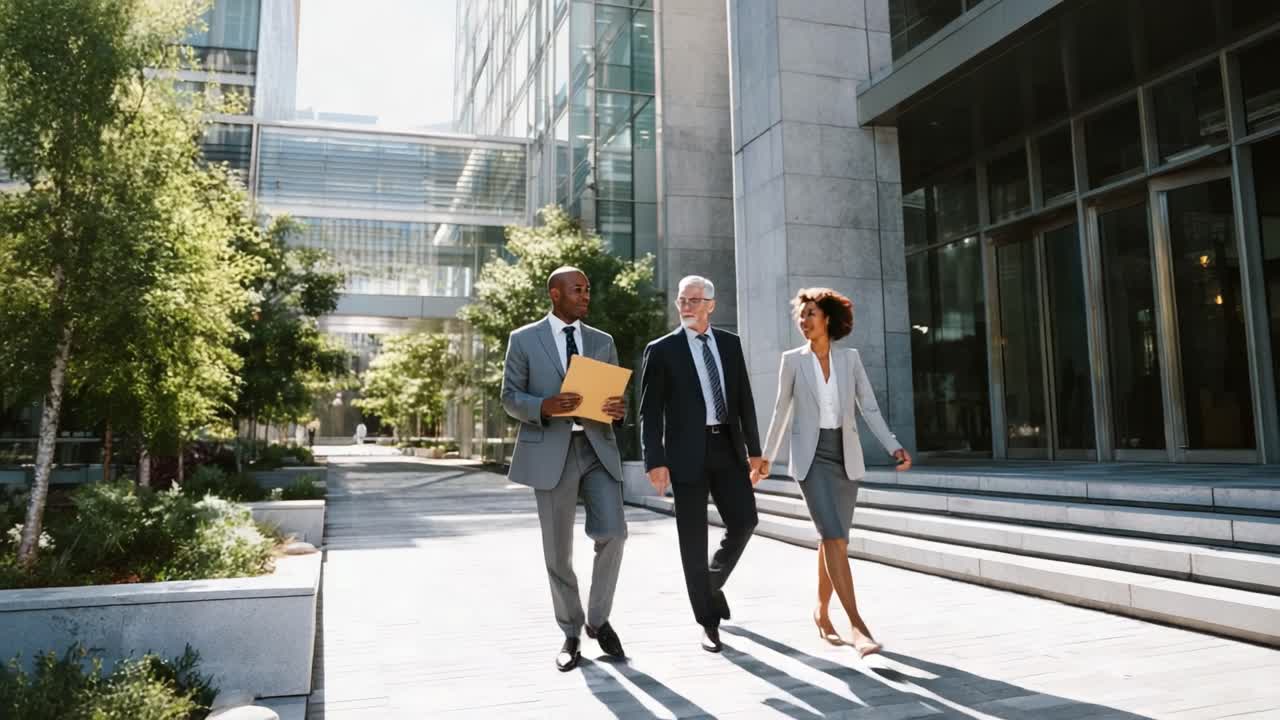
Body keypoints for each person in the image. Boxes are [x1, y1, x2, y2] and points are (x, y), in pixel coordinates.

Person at [752, 288, 912, 658]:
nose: (803, 321)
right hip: (812, 460)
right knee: (835, 537)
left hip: (844, 457)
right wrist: (765, 459)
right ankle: (858, 625)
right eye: (801, 315)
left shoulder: (849, 359)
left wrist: (893, 446)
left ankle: (821, 613)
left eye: (810, 314)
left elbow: (868, 407)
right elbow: (781, 411)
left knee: (833, 539)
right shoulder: (792, 361)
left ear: (827, 319)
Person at [501, 266, 629, 672]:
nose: (586, 295)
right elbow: (508, 396)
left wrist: (619, 410)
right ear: (555, 294)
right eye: (578, 289)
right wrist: (543, 406)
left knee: (614, 532)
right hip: (549, 451)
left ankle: (597, 619)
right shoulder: (523, 340)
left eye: (589, 288)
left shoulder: (601, 341)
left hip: (597, 449)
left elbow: (616, 401)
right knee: (558, 551)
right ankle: (571, 633)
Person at [639, 275, 763, 654]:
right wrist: (654, 460)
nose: (687, 306)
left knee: (745, 521)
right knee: (693, 539)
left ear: (711, 304)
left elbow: (743, 399)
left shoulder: (730, 343)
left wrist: (755, 451)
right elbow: (649, 411)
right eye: (682, 300)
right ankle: (707, 622)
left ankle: (709, 583)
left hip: (727, 448)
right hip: (685, 456)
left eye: (695, 300)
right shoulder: (661, 350)